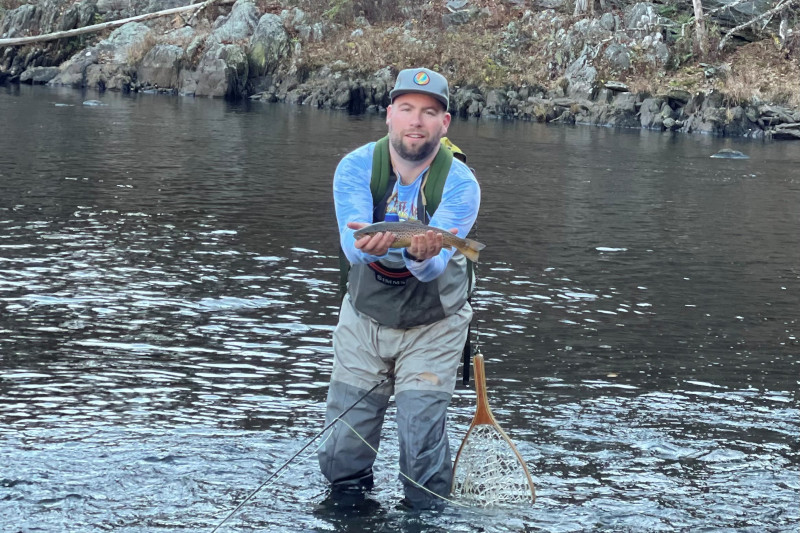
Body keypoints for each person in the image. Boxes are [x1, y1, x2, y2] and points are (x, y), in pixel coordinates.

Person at [318, 67, 481, 509]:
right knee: (341, 453)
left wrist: (421, 254)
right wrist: (369, 249)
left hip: (435, 324)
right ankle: (348, 507)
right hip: (365, 318)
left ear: (444, 124)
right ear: (389, 115)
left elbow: (433, 271)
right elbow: (353, 252)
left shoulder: (461, 184)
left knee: (420, 454)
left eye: (429, 112)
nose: (416, 121)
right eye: (406, 109)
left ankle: (424, 515)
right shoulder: (355, 167)